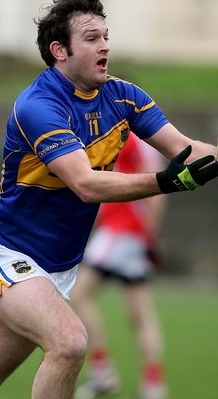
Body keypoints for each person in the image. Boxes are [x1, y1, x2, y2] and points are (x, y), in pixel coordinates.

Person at [0, 0, 218, 399]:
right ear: (59, 50)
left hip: (58, 267)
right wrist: (166, 182)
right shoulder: (38, 106)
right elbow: (85, 183)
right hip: (8, 253)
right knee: (70, 342)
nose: (105, 45)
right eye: (92, 38)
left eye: (106, 36)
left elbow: (182, 147)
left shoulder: (124, 96)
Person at [70, 132, 169, 399]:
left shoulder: (137, 137)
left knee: (78, 294)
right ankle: (154, 383)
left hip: (123, 230)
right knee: (139, 313)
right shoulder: (114, 131)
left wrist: (150, 233)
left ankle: (103, 372)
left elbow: (159, 184)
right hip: (125, 232)